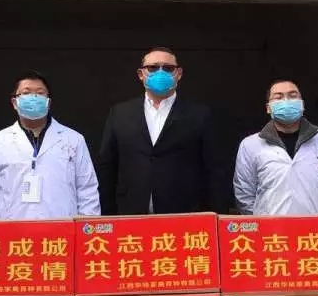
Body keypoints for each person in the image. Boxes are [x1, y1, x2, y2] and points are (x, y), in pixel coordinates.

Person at [97, 47, 230, 215]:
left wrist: (216, 215)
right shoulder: (120, 113)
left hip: (184, 215)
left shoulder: (200, 115)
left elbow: (215, 170)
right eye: (153, 68)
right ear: (141, 74)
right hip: (130, 214)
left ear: (179, 74)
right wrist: (107, 215)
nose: (160, 73)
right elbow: (107, 167)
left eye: (168, 68)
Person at [0, 72, 100, 220]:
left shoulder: (74, 140)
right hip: (12, 230)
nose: (33, 98)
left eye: (40, 93)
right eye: (26, 93)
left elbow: (87, 191)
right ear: (14, 102)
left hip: (62, 230)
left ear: (48, 103)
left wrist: (87, 227)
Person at [233, 79, 318, 215]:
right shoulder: (250, 145)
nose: (286, 101)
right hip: (270, 228)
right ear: (268, 108)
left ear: (302, 105)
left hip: (315, 227)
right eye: (278, 97)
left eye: (292, 96)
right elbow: (244, 194)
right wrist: (261, 222)